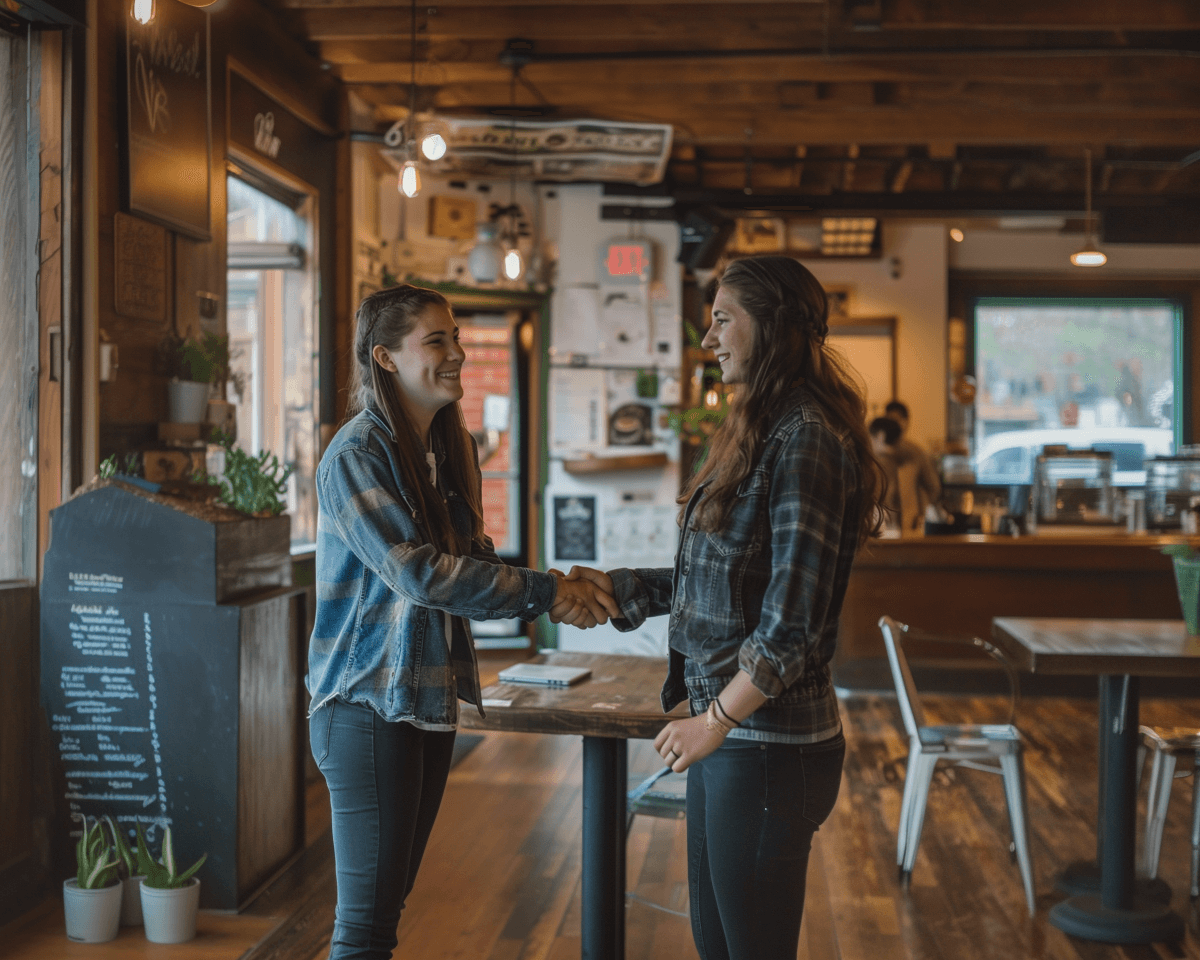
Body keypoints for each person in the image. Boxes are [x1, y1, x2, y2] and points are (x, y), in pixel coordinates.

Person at [566, 256, 883, 959]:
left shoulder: (806, 439)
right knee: (719, 945)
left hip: (766, 745)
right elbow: (724, 578)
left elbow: (791, 625)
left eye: (721, 319)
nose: (707, 339)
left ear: (770, 327)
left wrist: (714, 721)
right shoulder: (763, 430)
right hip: (732, 735)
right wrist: (618, 590)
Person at [306, 284, 617, 960]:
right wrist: (547, 594)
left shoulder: (453, 446)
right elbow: (418, 574)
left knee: (386, 913)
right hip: (364, 704)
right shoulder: (355, 454)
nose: (458, 353)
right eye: (437, 340)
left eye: (456, 337)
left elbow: (471, 560)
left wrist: (559, 588)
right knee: (363, 930)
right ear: (385, 358)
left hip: (424, 697)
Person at [884, 400, 942, 533]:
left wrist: (921, 513)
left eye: (897, 420)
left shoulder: (915, 453)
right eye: (889, 420)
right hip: (885, 522)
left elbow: (933, 488)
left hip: (911, 522)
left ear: (906, 422)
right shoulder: (878, 451)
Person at [869, 415, 902, 531]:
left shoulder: (878, 464)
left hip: (883, 526)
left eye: (871, 436)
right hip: (896, 525)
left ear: (880, 436)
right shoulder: (898, 463)